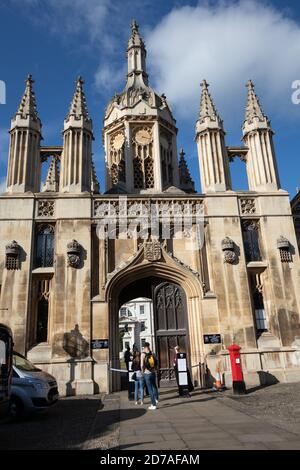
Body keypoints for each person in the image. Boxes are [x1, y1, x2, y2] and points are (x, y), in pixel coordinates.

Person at [141, 342, 158, 410]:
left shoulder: (143, 354)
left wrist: (142, 372)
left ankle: (153, 404)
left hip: (147, 373)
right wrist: (155, 370)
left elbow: (142, 365)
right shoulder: (152, 353)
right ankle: (156, 399)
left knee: (150, 389)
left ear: (144, 347)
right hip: (153, 372)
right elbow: (156, 362)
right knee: (154, 386)